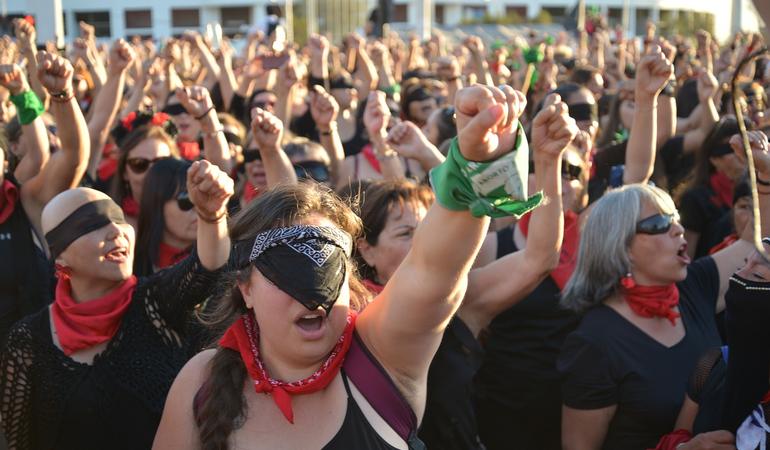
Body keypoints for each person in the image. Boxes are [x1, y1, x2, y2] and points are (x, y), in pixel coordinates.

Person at [151, 85, 536, 449]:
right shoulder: (202, 382)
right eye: (286, 270)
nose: (312, 292)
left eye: (325, 267)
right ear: (246, 288)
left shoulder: (382, 356)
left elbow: (433, 269)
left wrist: (474, 163)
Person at [557, 131, 770, 450]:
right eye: (659, 224)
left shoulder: (694, 286)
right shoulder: (593, 343)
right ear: (621, 246)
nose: (679, 229)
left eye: (676, 218)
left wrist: (765, 174)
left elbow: (757, 242)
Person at [0, 160, 234, 449]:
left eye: (118, 218)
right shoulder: (29, 341)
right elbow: (19, 442)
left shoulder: (156, 303)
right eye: (92, 224)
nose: (115, 230)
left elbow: (207, 270)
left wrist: (211, 216)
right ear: (60, 258)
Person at [0, 52, 90, 347]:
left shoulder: (24, 202)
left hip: (40, 372)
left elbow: (72, 155)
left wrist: (61, 94)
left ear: (5, 160)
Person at [133, 158, 196, 276]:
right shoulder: (130, 264)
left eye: (204, 196)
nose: (199, 207)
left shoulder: (225, 257)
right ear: (157, 204)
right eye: (186, 199)